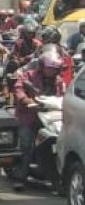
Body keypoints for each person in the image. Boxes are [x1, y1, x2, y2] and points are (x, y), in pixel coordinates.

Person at [11, 51, 66, 191]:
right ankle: (19, 178)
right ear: (42, 67)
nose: (51, 71)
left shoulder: (59, 81)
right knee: (26, 145)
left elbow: (63, 96)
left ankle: (58, 179)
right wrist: (25, 99)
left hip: (50, 117)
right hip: (29, 116)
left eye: (54, 69)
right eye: (49, 68)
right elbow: (18, 88)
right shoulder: (29, 75)